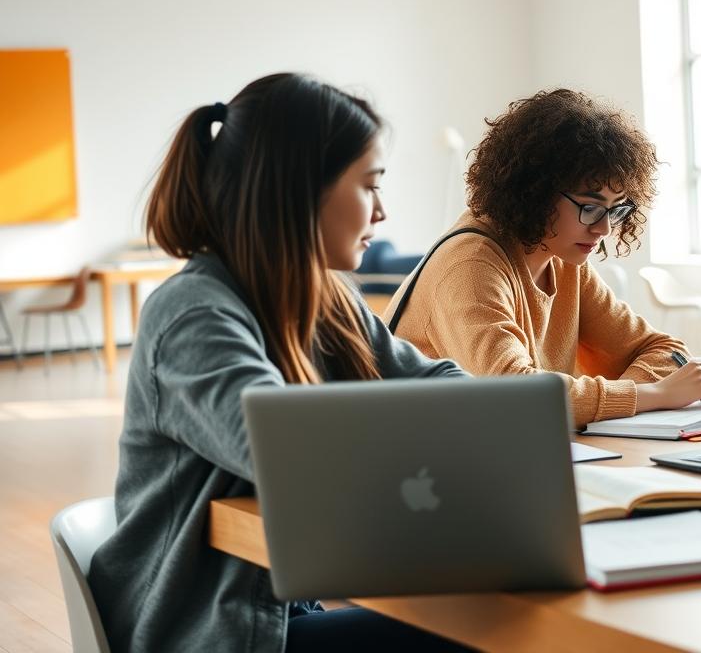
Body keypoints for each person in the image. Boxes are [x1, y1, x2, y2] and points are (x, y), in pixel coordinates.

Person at [88, 74, 468, 653]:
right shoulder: (193, 313)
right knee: (493, 633)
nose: (383, 212)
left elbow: (443, 384)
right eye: (370, 186)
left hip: (277, 613)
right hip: (210, 632)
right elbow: (283, 445)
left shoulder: (328, 301)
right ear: (299, 191)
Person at [384, 88, 701, 428]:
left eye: (616, 210)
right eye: (589, 208)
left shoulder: (563, 260)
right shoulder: (471, 266)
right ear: (535, 193)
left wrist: (631, 400)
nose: (603, 229)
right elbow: (517, 396)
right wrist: (651, 394)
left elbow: (661, 349)